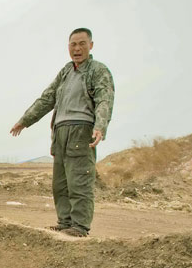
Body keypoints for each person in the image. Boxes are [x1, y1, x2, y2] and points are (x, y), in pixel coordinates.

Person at [10, 27, 114, 237]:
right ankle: (65, 222)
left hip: (81, 131)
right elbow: (47, 98)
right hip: (60, 133)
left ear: (91, 46)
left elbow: (105, 98)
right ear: (68, 47)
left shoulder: (97, 70)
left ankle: (80, 226)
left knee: (79, 182)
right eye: (73, 44)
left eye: (82, 44)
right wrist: (25, 120)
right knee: (61, 183)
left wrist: (100, 126)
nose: (77, 48)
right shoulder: (66, 72)